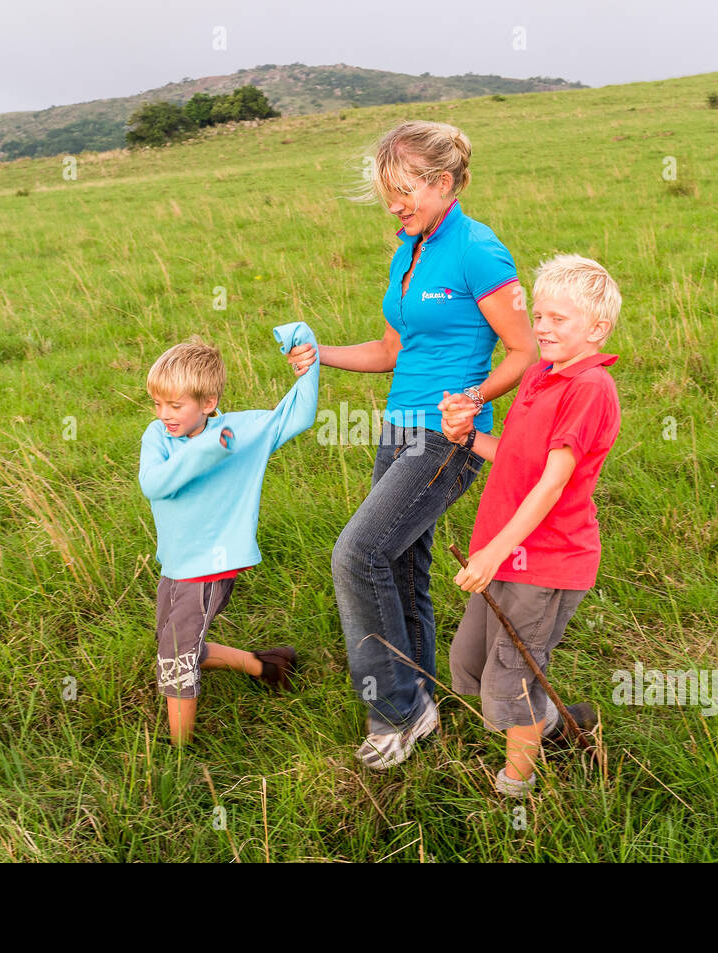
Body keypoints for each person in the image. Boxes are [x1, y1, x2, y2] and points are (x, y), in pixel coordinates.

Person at [286, 120, 538, 769]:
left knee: (356, 553)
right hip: (397, 427)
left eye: (404, 189)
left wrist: (476, 398)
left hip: (444, 437)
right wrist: (321, 357)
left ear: (444, 182)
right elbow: (394, 350)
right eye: (386, 191)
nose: (393, 203)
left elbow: (525, 349)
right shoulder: (409, 249)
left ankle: (393, 708)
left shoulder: (478, 250)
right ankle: (420, 699)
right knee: (398, 566)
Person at [440, 254, 622, 795]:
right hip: (505, 550)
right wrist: (468, 437)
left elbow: (552, 483)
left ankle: (515, 788)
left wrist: (493, 551)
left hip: (545, 562)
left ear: (596, 328)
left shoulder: (589, 388)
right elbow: (520, 459)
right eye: (538, 316)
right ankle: (557, 726)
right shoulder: (542, 375)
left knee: (510, 677)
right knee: (468, 663)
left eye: (558, 319)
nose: (541, 327)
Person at [138, 323, 319, 744]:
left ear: (209, 402)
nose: (164, 414)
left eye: (175, 405)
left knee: (176, 658)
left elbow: (299, 414)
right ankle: (268, 667)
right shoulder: (159, 436)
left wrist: (306, 355)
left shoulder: (243, 432)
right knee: (174, 646)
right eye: (157, 403)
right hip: (176, 564)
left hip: (211, 567)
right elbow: (155, 484)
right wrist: (208, 448)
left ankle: (178, 755)